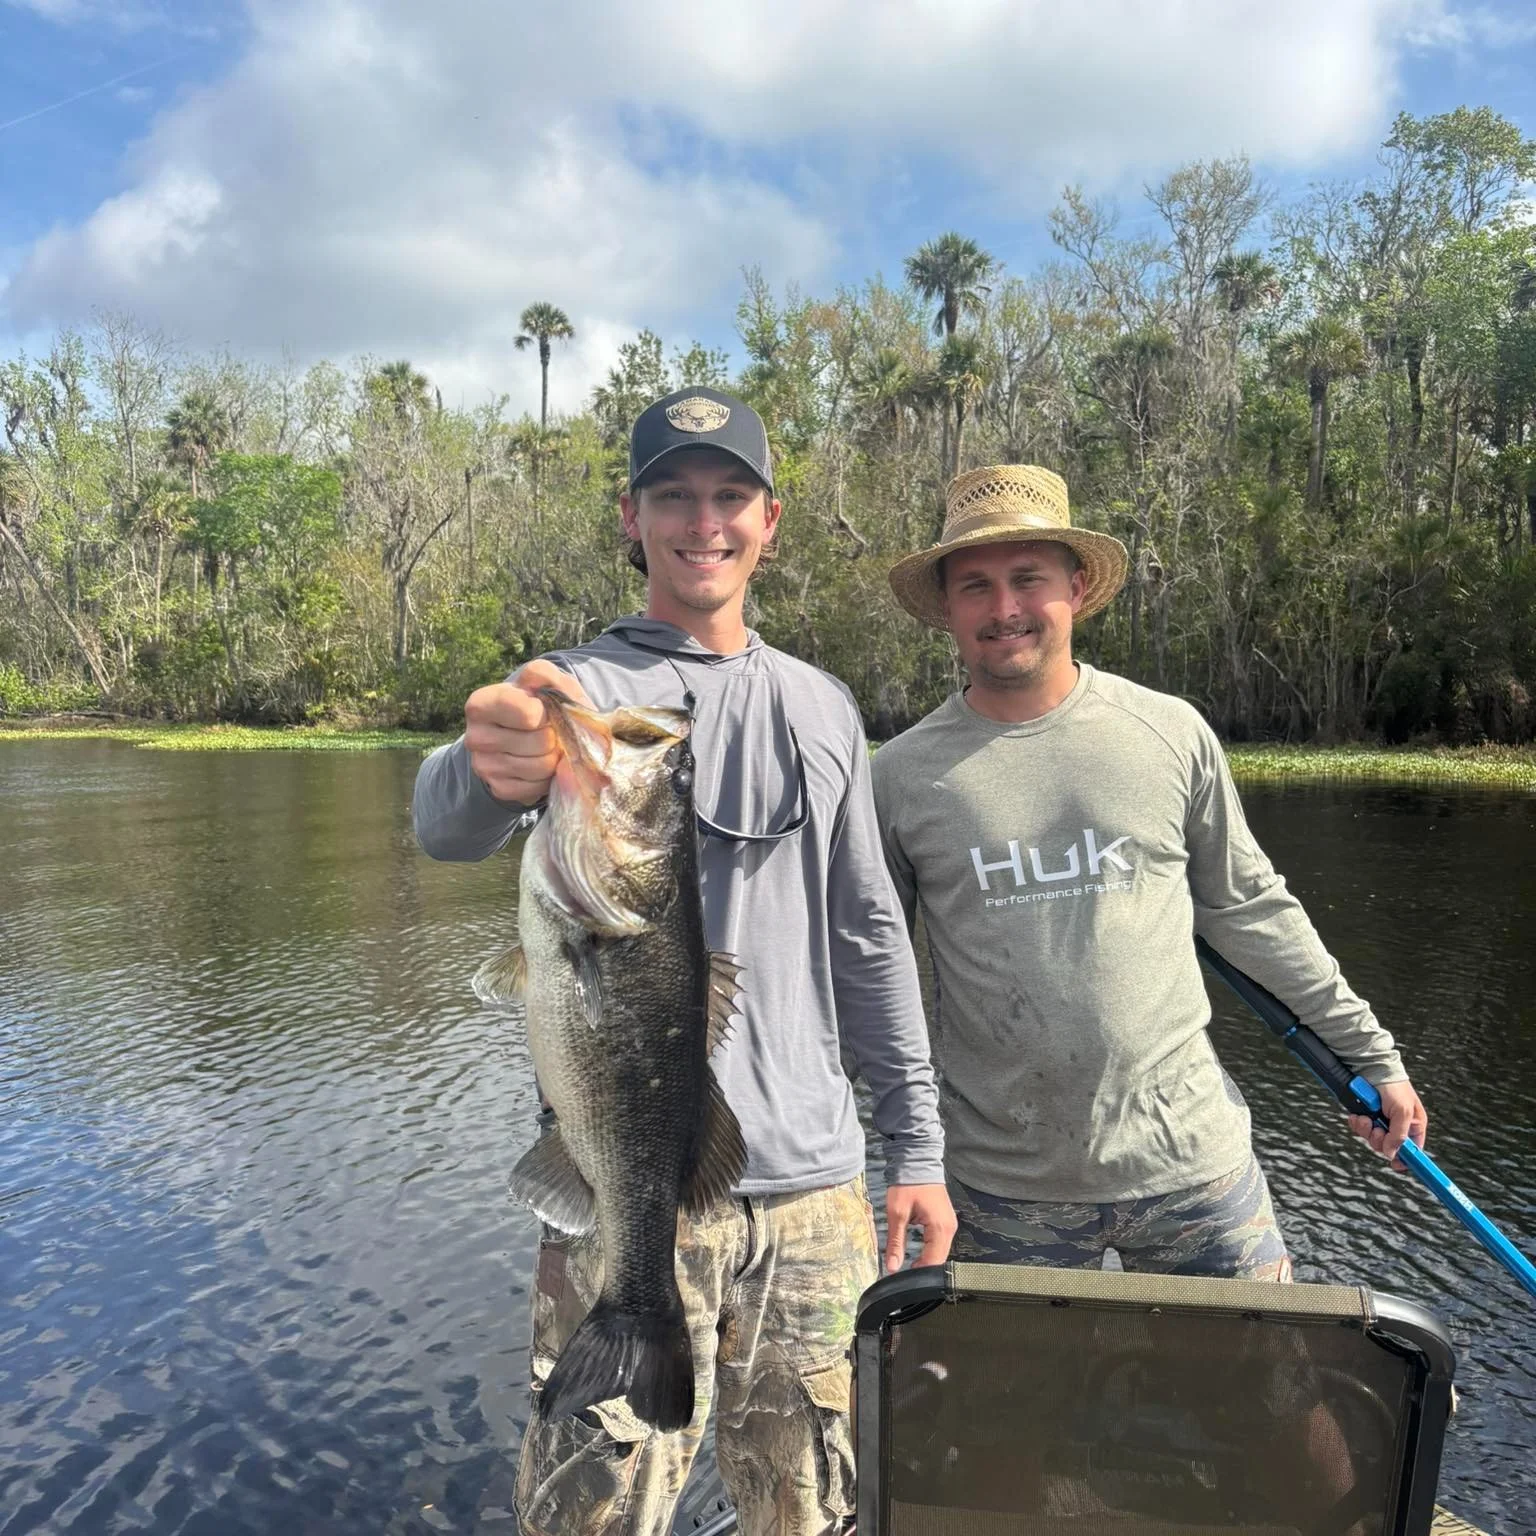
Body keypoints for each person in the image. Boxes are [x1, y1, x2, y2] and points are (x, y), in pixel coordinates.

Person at [412, 386, 956, 1536]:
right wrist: (489, 753)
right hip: (622, 1190)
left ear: (770, 521)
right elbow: (446, 821)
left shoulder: (821, 705)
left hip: (817, 1198)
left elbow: (868, 937)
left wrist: (916, 1149)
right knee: (589, 1511)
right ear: (631, 517)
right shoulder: (576, 691)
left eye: (728, 497)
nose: (701, 522)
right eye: (673, 496)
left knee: (813, 1509)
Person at [870, 464, 1427, 1281]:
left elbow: (1249, 911)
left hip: (1194, 1169)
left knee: (1257, 1395)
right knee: (1013, 1409)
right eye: (975, 587)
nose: (1005, 610)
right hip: (998, 1185)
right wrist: (904, 1144)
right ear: (948, 609)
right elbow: (872, 969)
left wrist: (1371, 1054)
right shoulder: (903, 774)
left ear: (1077, 584)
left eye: (1029, 579)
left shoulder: (1168, 732)